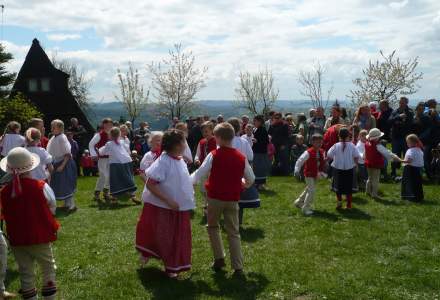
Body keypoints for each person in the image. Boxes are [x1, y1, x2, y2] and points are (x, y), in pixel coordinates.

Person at [191, 122, 255, 275]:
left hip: (214, 198)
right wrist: (243, 184)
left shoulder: (213, 155)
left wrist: (186, 183)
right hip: (233, 199)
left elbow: (199, 174)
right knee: (233, 232)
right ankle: (238, 266)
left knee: (213, 227)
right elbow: (251, 178)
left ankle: (219, 258)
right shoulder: (241, 157)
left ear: (218, 138)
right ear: (233, 137)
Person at [0, 147, 59, 300]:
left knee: (25, 271)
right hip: (39, 235)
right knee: (48, 267)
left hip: (17, 238)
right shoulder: (41, 186)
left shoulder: (4, 191)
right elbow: (52, 206)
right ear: (31, 167)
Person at [135, 129, 195, 279]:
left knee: (176, 237)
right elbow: (150, 184)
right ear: (175, 145)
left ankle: (171, 265)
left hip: (178, 208)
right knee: (164, 236)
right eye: (183, 141)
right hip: (164, 208)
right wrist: (168, 200)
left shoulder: (179, 159)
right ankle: (165, 263)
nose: (185, 144)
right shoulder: (164, 161)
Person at [228, 118, 259, 225]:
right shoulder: (243, 141)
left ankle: (230, 221)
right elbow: (251, 156)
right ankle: (238, 222)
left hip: (228, 172)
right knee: (239, 198)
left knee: (229, 197)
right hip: (241, 171)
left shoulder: (226, 141)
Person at [99, 127, 139, 205]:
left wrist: (98, 151)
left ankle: (115, 199)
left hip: (116, 164)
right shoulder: (122, 142)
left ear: (110, 135)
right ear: (119, 134)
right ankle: (133, 195)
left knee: (115, 180)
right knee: (127, 178)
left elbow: (103, 152)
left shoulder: (109, 144)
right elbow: (127, 150)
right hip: (127, 162)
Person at [47, 120, 77, 212]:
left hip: (65, 163)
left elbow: (67, 154)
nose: (52, 129)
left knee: (66, 183)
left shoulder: (62, 138)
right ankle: (66, 204)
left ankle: (72, 205)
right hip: (58, 162)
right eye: (51, 127)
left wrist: (62, 166)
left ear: (60, 128)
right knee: (61, 184)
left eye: (54, 127)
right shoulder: (54, 138)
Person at [326, 128, 360, 209]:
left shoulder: (335, 145)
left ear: (339, 136)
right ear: (348, 136)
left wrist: (326, 162)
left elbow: (329, 155)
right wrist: (356, 165)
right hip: (349, 169)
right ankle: (348, 205)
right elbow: (356, 156)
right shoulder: (352, 145)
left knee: (338, 187)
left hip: (338, 170)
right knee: (348, 188)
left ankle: (339, 203)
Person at [293, 134, 326, 215]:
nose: (320, 144)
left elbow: (321, 163)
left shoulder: (321, 151)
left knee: (309, 189)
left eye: (321, 142)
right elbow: (299, 161)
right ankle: (305, 208)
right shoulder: (308, 152)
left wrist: (322, 172)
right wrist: (296, 170)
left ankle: (298, 202)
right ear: (312, 142)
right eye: (318, 142)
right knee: (311, 191)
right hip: (309, 174)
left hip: (315, 174)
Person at [364, 128, 401, 199]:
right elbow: (387, 153)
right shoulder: (378, 146)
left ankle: (368, 191)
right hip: (376, 164)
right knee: (375, 179)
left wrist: (365, 158)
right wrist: (396, 157)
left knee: (370, 178)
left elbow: (365, 154)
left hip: (368, 163)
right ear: (377, 137)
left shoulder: (367, 143)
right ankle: (374, 194)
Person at [194, 121, 217, 217]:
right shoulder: (201, 142)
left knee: (211, 188)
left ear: (212, 130)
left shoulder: (216, 141)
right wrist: (196, 159)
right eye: (203, 132)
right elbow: (197, 153)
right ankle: (206, 204)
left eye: (207, 131)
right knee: (203, 189)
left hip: (213, 169)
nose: (205, 134)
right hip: (203, 168)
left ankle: (209, 207)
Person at [388, 97, 414, 179]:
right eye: (400, 102)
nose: (401, 104)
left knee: (407, 155)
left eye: (403, 102)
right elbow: (389, 121)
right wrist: (398, 117)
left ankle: (408, 173)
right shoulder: (395, 111)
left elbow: (410, 123)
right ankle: (393, 173)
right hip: (396, 137)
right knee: (395, 155)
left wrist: (397, 122)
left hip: (406, 138)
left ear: (406, 103)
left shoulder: (410, 112)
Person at [89, 118, 113, 202]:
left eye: (110, 124)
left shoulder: (112, 134)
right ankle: (97, 194)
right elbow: (91, 144)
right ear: (104, 125)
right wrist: (94, 154)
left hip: (111, 158)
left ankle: (106, 193)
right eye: (107, 124)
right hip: (102, 159)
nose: (109, 126)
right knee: (103, 176)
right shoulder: (99, 134)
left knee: (110, 176)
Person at [401, 134, 424, 202]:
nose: (407, 144)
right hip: (418, 169)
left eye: (408, 142)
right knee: (417, 183)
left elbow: (408, 161)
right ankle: (419, 197)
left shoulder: (410, 151)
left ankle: (409, 197)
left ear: (413, 143)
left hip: (410, 169)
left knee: (409, 183)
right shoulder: (420, 150)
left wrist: (399, 160)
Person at [252, 115, 270, 190]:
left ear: (259, 121)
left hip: (261, 152)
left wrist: (257, 141)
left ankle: (261, 184)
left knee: (260, 168)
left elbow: (266, 141)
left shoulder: (262, 130)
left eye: (255, 121)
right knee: (256, 168)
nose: (254, 122)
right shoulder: (256, 129)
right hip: (256, 151)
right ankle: (257, 183)